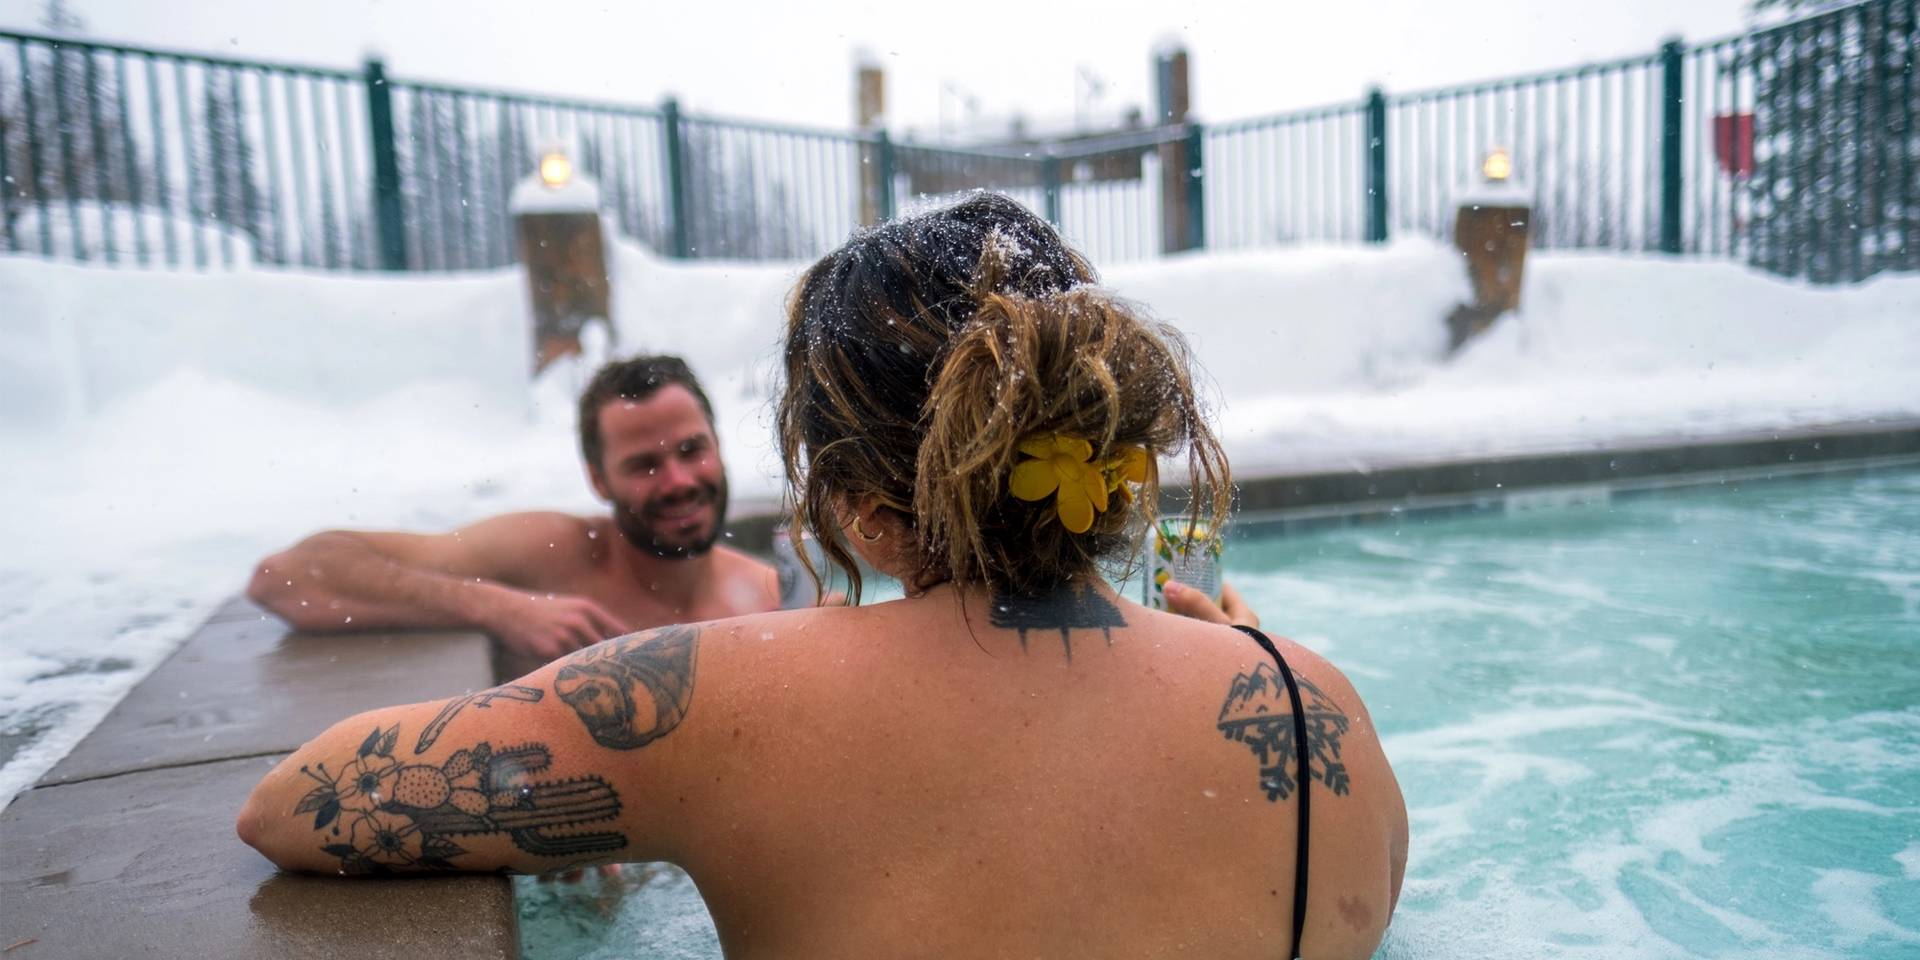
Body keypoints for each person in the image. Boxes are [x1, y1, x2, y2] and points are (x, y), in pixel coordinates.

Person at [238, 194, 1406, 959]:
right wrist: (1253, 663)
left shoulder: (716, 702)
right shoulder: (1319, 718)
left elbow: (295, 804)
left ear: (855, 506)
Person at [246, 355, 782, 662]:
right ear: (597, 479)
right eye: (644, 464)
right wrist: (499, 608)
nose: (679, 481)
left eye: (692, 451)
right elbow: (288, 577)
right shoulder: (550, 557)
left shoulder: (768, 598)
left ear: (717, 445)